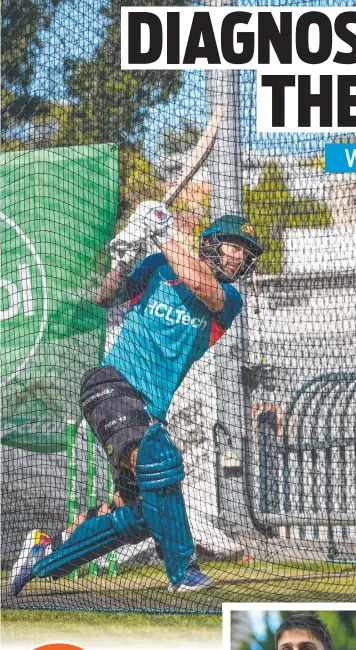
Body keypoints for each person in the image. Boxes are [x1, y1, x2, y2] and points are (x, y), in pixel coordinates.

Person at [9, 200, 263, 596]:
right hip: (111, 384)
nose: (239, 255)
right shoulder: (156, 267)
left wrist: (163, 233)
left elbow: (201, 287)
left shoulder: (228, 299)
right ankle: (184, 572)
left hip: (148, 411)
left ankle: (46, 553)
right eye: (233, 245)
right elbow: (103, 296)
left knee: (141, 514)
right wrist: (124, 258)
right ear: (211, 243)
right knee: (160, 460)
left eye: (245, 251)